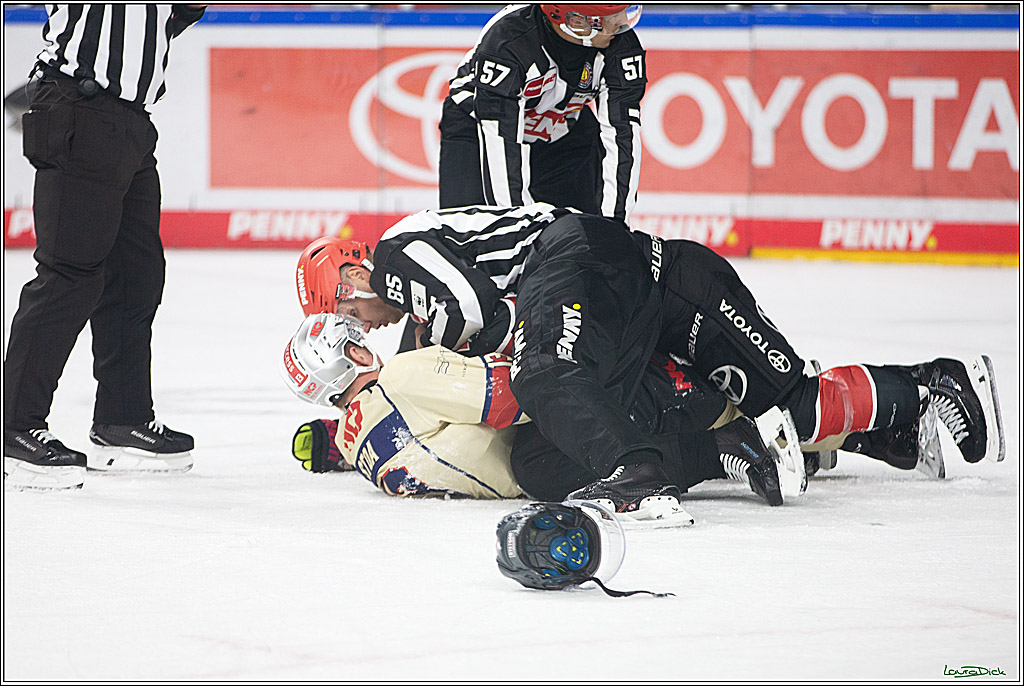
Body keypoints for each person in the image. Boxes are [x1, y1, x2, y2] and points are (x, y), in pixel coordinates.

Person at [293, 204, 1003, 518]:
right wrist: (337, 435)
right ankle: (909, 407)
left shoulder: (396, 257)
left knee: (547, 378)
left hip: (631, 270)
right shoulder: (417, 306)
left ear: (355, 281)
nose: (362, 324)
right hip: (616, 286)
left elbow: (492, 319)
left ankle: (642, 474)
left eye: (348, 313)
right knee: (796, 406)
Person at [280, 312, 806, 514]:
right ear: (343, 363)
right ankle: (744, 437)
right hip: (541, 441)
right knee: (562, 439)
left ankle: (768, 435)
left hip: (531, 465)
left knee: (550, 461)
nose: (365, 341)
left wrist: (322, 445)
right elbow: (509, 395)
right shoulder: (401, 375)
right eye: (351, 343)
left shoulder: (353, 441)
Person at [3, 5, 204, 491]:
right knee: (70, 273)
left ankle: (122, 418)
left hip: (129, 120)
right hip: (80, 106)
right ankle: (12, 425)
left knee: (137, 276)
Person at [439, 5, 646, 221]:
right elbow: (499, 140)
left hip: (563, 129)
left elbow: (623, 135)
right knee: (470, 233)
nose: (622, 21)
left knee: (586, 234)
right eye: (612, 15)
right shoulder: (508, 42)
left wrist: (614, 223)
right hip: (477, 129)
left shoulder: (622, 46)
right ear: (577, 22)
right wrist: (516, 229)